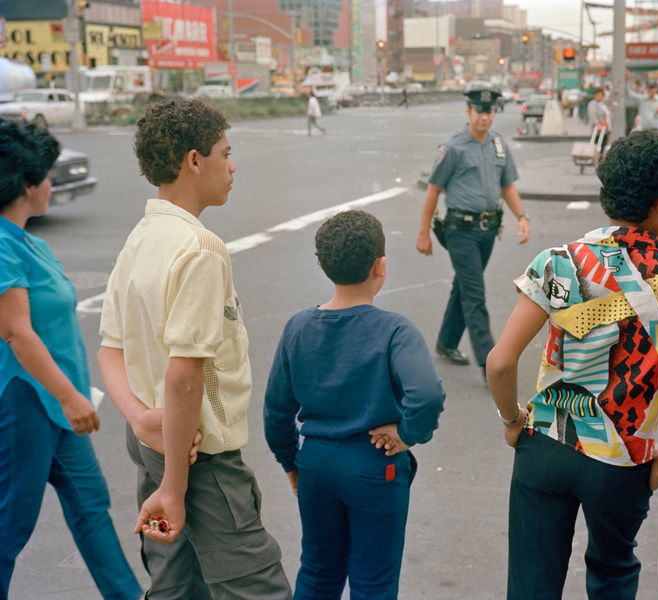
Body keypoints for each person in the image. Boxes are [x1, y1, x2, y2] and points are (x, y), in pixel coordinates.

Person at [487, 130, 658, 600]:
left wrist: (512, 422)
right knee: (612, 573)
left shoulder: (559, 262)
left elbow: (501, 361)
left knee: (530, 583)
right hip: (621, 459)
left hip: (547, 442)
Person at [97, 99, 292, 600]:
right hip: (198, 461)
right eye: (225, 152)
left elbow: (109, 350)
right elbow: (184, 377)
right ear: (193, 160)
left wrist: (139, 417)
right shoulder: (200, 250)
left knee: (175, 587)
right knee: (257, 588)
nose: (233, 165)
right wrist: (176, 490)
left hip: (152, 445)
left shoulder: (140, 239)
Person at [264, 210, 445, 600]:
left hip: (316, 463)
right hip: (374, 464)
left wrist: (291, 462)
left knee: (317, 572)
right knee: (373, 583)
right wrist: (408, 434)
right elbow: (427, 394)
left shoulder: (298, 326)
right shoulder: (394, 329)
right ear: (380, 266)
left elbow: (276, 410)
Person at [0, 119, 142, 600]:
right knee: (9, 528)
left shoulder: (28, 242)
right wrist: (70, 397)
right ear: (26, 185)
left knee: (91, 507)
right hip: (27, 401)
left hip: (57, 402)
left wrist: (69, 398)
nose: (51, 184)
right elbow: (17, 333)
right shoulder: (1, 246)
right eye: (46, 175)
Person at [416, 85, 530, 376]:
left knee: (464, 287)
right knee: (475, 293)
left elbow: (507, 187)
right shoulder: (452, 147)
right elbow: (433, 190)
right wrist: (423, 232)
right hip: (459, 231)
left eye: (489, 111)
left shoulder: (498, 145)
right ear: (468, 111)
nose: (485, 117)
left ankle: (446, 342)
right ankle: (490, 364)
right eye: (479, 111)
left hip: (489, 230)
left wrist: (522, 217)